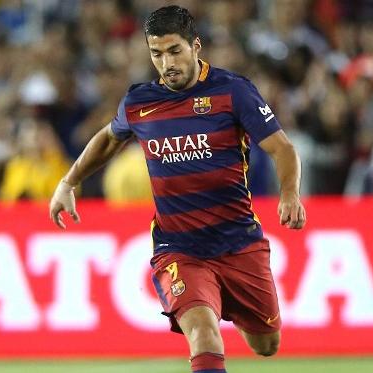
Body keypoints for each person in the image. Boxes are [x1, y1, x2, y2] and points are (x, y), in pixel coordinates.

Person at [48, 6, 306, 373]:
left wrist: (290, 193)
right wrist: (68, 181)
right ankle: (209, 302)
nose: (166, 63)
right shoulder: (140, 102)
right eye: (157, 53)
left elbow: (282, 148)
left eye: (174, 51)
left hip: (239, 241)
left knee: (267, 344)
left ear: (195, 46)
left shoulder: (232, 92)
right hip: (179, 249)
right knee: (203, 333)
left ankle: (228, 300)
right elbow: (108, 140)